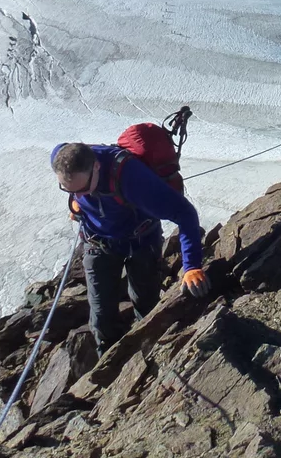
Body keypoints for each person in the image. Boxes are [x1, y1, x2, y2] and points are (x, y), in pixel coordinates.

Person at [51, 142, 210, 358]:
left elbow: (185, 213)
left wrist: (191, 266)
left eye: (82, 188)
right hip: (97, 243)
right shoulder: (61, 157)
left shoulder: (131, 179)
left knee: (146, 305)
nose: (79, 194)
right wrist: (78, 199)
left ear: (96, 166)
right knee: (100, 317)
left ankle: (150, 355)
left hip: (141, 242)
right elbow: (75, 184)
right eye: (68, 189)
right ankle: (108, 365)